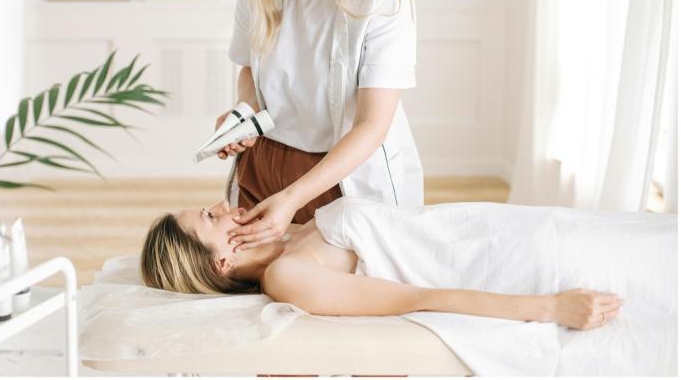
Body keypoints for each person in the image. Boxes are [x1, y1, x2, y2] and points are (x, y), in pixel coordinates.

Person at [139, 197, 677, 375]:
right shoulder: (288, 276)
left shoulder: (288, 233)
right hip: (517, 266)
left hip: (514, 230)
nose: (223, 206)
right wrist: (551, 307)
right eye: (211, 217)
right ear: (220, 263)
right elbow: (421, 299)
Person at [217, 0, 422, 254]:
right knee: (247, 290)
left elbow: (372, 125)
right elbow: (249, 69)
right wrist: (243, 117)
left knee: (336, 293)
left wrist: (294, 197)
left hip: (339, 176)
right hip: (264, 162)